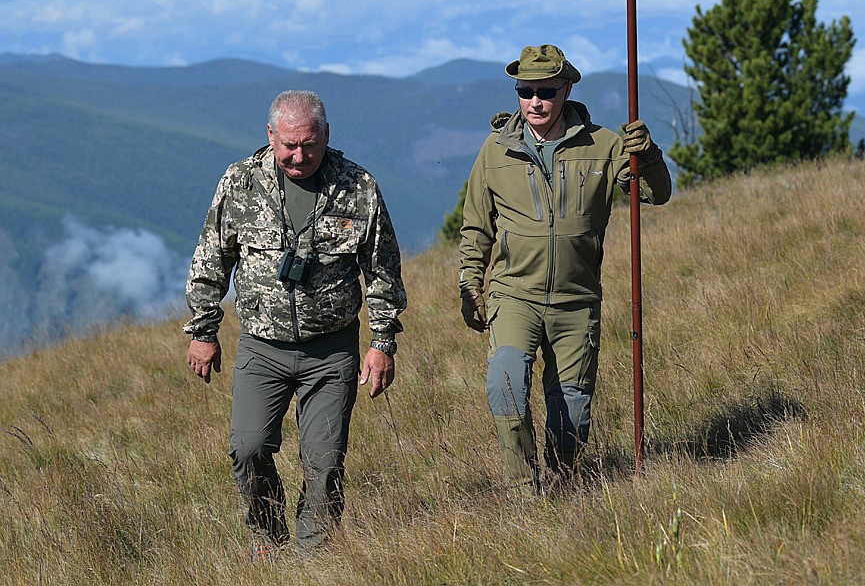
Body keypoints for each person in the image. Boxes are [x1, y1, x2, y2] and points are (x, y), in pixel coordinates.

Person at [184, 90, 406, 559]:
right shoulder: (240, 183)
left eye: (308, 143)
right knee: (248, 448)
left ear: (326, 135)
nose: (298, 155)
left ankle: (314, 556)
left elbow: (383, 268)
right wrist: (203, 332)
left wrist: (382, 341)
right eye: (288, 145)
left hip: (331, 349)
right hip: (262, 346)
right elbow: (210, 260)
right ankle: (269, 539)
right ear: (270, 136)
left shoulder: (357, 187)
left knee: (324, 462)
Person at [457, 44, 671, 494]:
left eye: (546, 92)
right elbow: (477, 225)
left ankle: (560, 479)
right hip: (515, 295)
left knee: (571, 410)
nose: (535, 101)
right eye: (525, 90)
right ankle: (523, 489)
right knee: (507, 386)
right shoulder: (496, 150)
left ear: (566, 88)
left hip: (577, 301)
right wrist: (470, 283)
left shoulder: (605, 145)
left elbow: (654, 194)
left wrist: (647, 155)